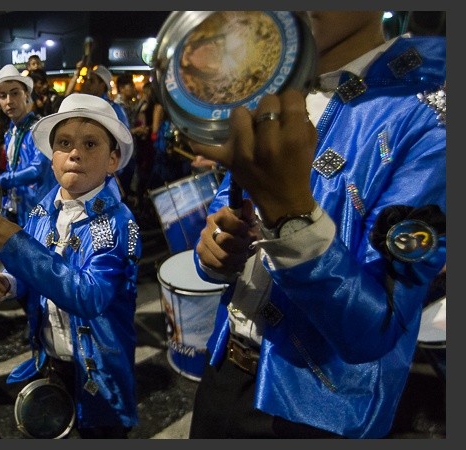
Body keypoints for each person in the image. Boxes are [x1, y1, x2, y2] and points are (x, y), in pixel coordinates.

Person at [185, 11, 446, 438]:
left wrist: (289, 215)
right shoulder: (268, 89)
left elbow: (376, 326)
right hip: (222, 373)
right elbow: (227, 211)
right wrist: (215, 247)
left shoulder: (430, 111)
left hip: (318, 414)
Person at [0, 93, 141, 438]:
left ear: (113, 159)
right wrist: (8, 283)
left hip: (100, 373)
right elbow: (33, 275)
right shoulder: (43, 209)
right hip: (51, 362)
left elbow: (89, 297)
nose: (75, 153)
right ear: (51, 158)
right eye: (64, 143)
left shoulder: (119, 223)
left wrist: (17, 246)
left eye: (90, 143)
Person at [0, 64, 57, 227]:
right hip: (16, 207)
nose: (9, 101)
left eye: (15, 93)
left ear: (26, 94)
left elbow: (37, 169)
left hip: (38, 209)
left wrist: (2, 180)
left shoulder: (38, 130)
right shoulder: (11, 131)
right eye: (2, 95)